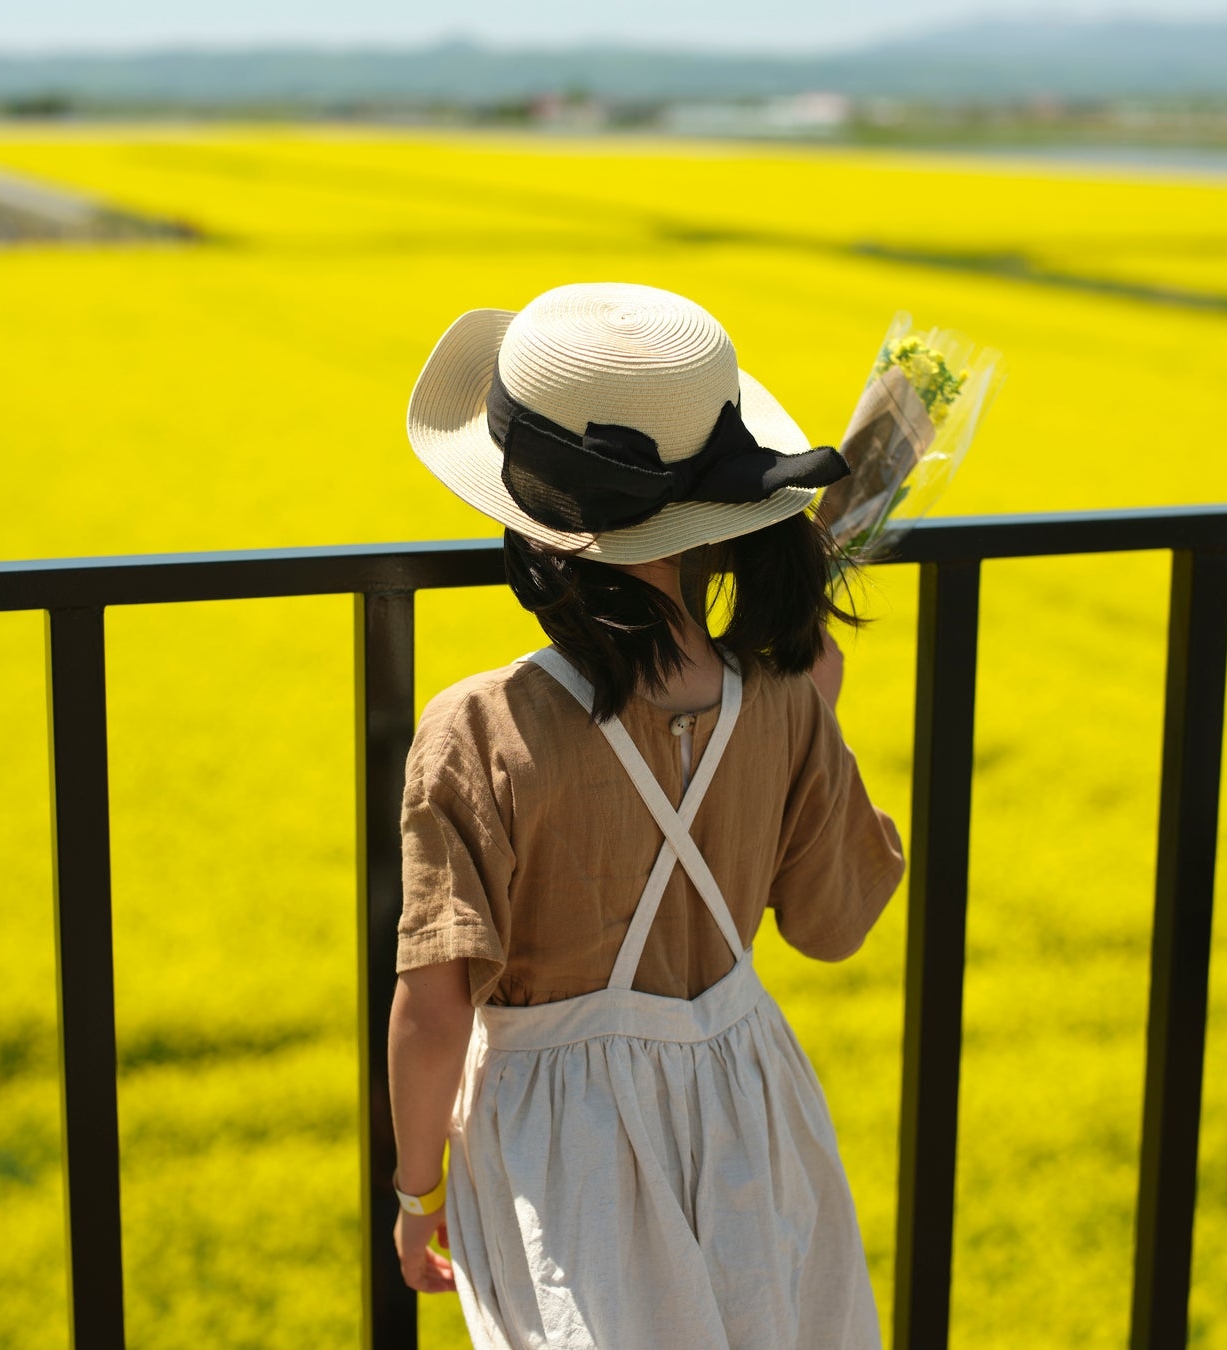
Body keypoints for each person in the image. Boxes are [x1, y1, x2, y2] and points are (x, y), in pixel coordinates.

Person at [390, 281, 907, 1348]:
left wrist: (416, 1195)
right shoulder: (781, 705)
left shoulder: (479, 728)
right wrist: (818, 723)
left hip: (563, 1148)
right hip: (751, 1107)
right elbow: (831, 924)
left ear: (528, 527)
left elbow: (434, 1010)